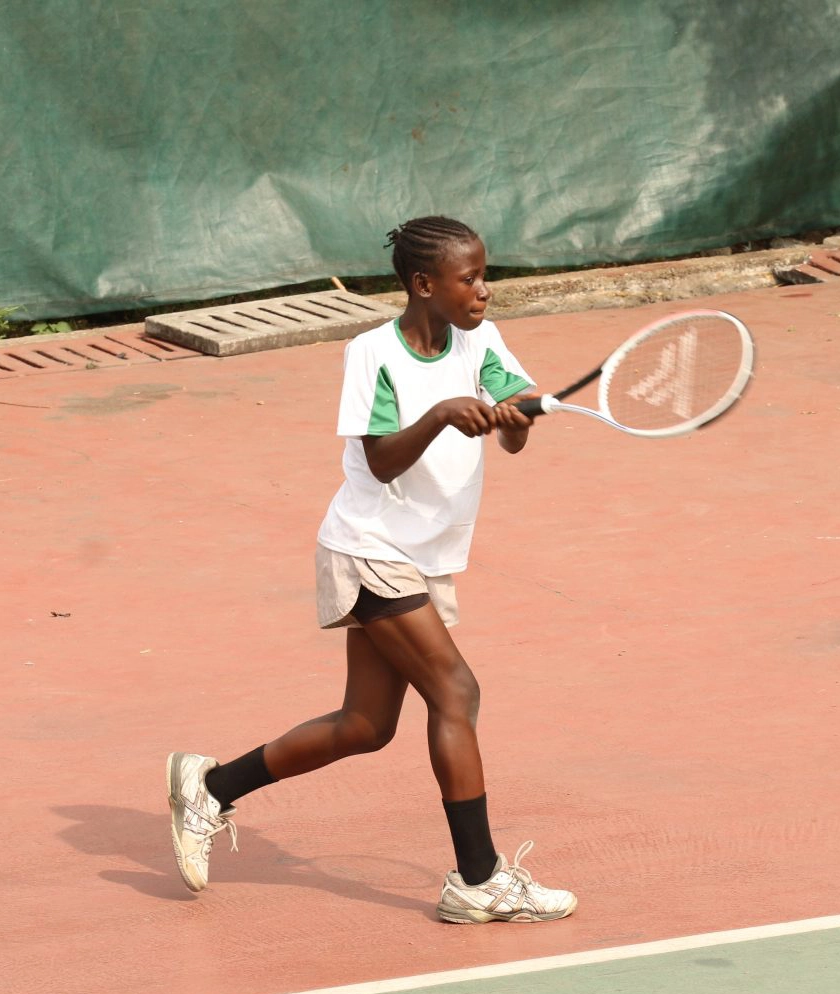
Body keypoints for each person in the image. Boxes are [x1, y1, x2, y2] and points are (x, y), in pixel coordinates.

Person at [167, 215, 576, 924]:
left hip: (423, 556)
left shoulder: (481, 340)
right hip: (370, 547)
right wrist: (443, 414)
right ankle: (478, 880)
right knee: (456, 691)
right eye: (470, 278)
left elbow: (511, 433)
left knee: (365, 724)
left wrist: (514, 421)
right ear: (424, 284)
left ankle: (210, 786)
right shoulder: (372, 353)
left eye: (485, 275)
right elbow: (381, 459)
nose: (484, 290)